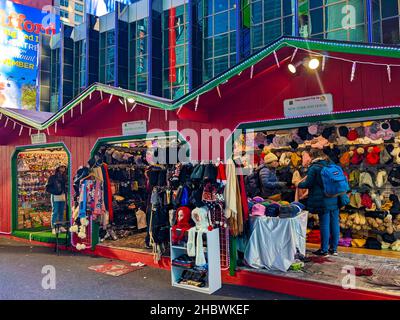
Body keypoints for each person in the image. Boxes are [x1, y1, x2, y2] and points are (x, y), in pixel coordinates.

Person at [296, 149, 339, 256]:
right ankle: (334, 249)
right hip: (335, 197)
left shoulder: (314, 167)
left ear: (312, 156)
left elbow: (308, 183)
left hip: (323, 199)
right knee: (334, 223)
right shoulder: (331, 164)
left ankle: (324, 250)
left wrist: (298, 184)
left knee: (324, 223)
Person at [46, 165, 68, 234]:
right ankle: (53, 227)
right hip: (55, 195)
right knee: (55, 211)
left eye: (64, 167)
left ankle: (60, 226)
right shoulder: (52, 177)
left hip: (63, 195)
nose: (63, 169)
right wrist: (55, 192)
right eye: (61, 167)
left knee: (61, 211)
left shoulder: (65, 177)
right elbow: (47, 187)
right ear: (58, 168)